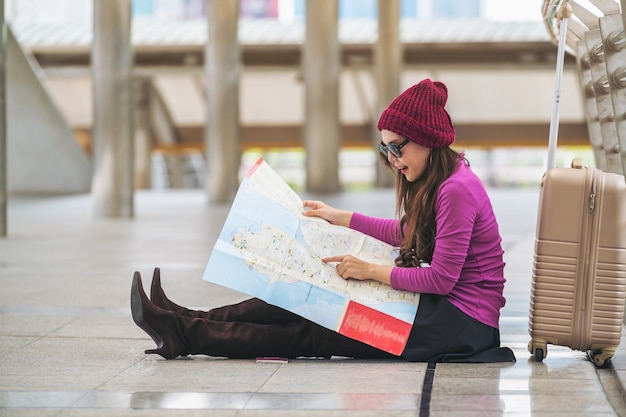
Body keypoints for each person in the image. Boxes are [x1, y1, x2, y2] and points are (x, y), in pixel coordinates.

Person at [131, 78, 515, 363]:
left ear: (427, 140)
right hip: (439, 313)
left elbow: (441, 279)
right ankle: (182, 318)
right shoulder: (441, 182)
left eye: (398, 147)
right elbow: (408, 233)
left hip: (460, 326)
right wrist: (340, 218)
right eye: (385, 149)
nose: (392, 158)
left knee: (314, 329)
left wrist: (368, 270)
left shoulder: (457, 189)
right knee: (300, 292)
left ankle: (183, 334)